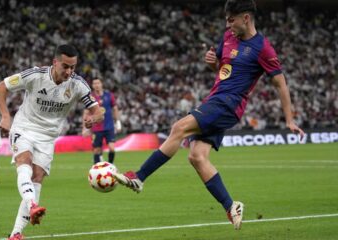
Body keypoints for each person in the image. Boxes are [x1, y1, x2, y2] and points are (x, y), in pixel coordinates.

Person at [114, 0, 305, 231]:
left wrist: (289, 119)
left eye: (231, 19)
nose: (227, 23)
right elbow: (223, 71)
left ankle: (139, 177)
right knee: (196, 157)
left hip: (228, 104)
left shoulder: (263, 48)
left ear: (246, 18)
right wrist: (212, 64)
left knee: (178, 128)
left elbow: (280, 84)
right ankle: (230, 205)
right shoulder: (228, 37)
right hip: (216, 99)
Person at [0, 44, 103, 240]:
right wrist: (5, 115)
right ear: (55, 62)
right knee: (24, 162)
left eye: (73, 67)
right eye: (65, 66)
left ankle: (16, 234)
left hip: (48, 137)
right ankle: (32, 205)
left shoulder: (78, 84)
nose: (69, 71)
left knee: (37, 178)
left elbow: (99, 110)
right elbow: (0, 87)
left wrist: (93, 119)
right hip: (24, 127)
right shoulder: (35, 75)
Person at [82, 78, 121, 164]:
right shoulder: (91, 97)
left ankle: (111, 165)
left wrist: (118, 122)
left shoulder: (109, 95)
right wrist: (85, 128)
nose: (96, 85)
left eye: (98, 83)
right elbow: (86, 113)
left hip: (109, 126)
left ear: (101, 84)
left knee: (112, 148)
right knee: (97, 150)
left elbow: (115, 109)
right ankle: (96, 168)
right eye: (94, 83)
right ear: (92, 86)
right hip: (96, 128)